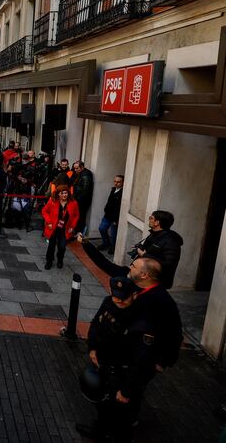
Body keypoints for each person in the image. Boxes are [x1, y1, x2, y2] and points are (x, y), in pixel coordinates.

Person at [76, 277, 144, 442]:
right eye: (116, 296)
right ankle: (99, 431)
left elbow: (140, 358)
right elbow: (95, 325)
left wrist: (127, 389)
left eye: (123, 298)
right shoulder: (108, 302)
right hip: (103, 363)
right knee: (102, 403)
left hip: (122, 370)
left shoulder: (139, 317)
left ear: (134, 295)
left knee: (120, 411)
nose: (118, 301)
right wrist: (92, 348)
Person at [136, 210, 183, 289]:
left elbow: (169, 264)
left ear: (157, 222)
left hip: (157, 281)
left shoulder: (171, 241)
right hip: (145, 277)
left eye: (151, 218)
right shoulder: (154, 234)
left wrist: (144, 255)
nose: (149, 220)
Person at [41, 185, 79, 270]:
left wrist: (72, 226)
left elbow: (76, 215)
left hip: (65, 229)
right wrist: (49, 222)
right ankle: (49, 261)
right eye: (62, 193)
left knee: (62, 246)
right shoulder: (52, 201)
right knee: (51, 245)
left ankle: (60, 259)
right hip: (53, 228)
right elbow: (44, 211)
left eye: (66, 193)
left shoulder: (73, 203)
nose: (65, 195)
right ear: (58, 194)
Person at [98, 175, 124, 254]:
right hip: (107, 215)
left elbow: (120, 208)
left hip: (115, 218)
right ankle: (106, 243)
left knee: (114, 234)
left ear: (123, 183)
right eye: (115, 181)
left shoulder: (123, 193)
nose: (116, 183)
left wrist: (116, 219)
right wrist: (106, 209)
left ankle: (113, 247)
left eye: (118, 182)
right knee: (102, 228)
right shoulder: (113, 189)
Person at [71, 161, 94, 233]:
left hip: (82, 201)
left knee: (80, 217)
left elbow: (85, 190)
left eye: (77, 168)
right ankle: (77, 231)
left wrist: (78, 200)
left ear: (82, 167)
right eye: (74, 168)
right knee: (78, 216)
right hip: (79, 199)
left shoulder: (86, 175)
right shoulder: (79, 173)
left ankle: (79, 232)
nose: (75, 170)